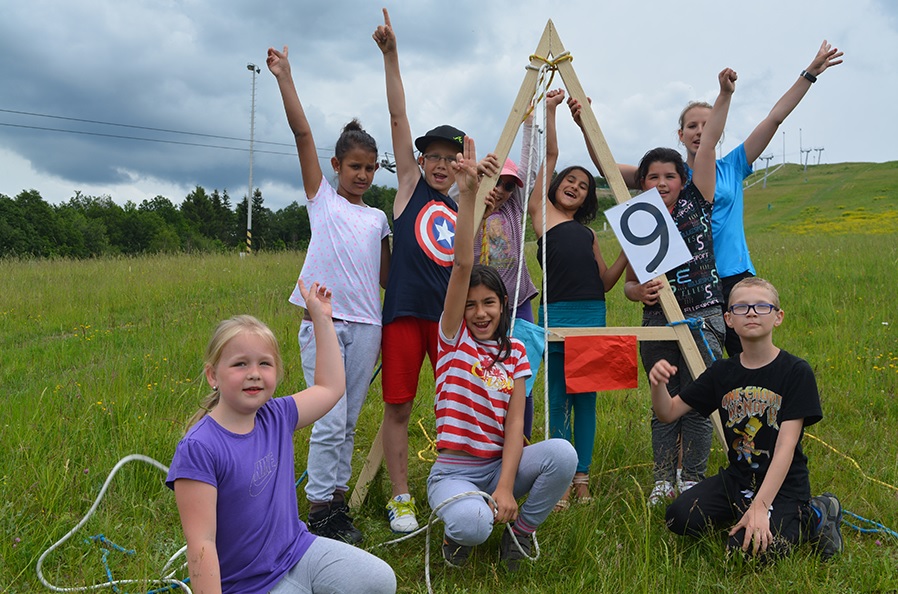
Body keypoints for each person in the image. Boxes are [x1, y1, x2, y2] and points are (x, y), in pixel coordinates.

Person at [572, 41, 843, 356]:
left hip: (734, 277)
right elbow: (608, 167)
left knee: (748, 360)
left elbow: (774, 119)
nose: (700, 131)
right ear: (681, 134)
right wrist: (585, 126)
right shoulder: (668, 177)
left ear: (718, 127)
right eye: (692, 126)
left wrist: (809, 74)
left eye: (707, 124)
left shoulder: (731, 167)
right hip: (685, 287)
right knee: (698, 370)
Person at [166, 287, 396, 594]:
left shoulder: (276, 414)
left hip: (298, 552)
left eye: (264, 363)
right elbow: (201, 545)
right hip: (249, 584)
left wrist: (322, 318)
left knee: (381, 580)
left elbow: (330, 388)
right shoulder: (199, 447)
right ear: (213, 375)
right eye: (240, 364)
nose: (254, 374)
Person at [427, 135, 577, 571]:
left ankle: (520, 531)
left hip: (497, 467)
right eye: (472, 304)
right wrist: (470, 191)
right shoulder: (453, 338)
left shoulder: (515, 354)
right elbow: (461, 267)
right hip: (455, 472)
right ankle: (459, 534)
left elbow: (516, 423)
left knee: (563, 455)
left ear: (503, 305)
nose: (479, 313)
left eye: (489, 303)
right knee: (474, 524)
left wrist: (507, 486)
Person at [267, 45, 392, 544]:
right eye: (355, 166)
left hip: (368, 326)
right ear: (338, 165)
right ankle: (319, 508)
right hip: (323, 321)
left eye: (371, 168)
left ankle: (337, 500)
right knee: (327, 415)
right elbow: (302, 133)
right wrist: (284, 77)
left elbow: (388, 277)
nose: (363, 175)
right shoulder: (322, 201)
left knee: (350, 418)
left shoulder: (378, 218)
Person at [649, 277, 843, 561]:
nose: (751, 312)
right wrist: (658, 385)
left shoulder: (796, 372)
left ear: (778, 317)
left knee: (744, 555)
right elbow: (668, 413)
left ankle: (814, 514)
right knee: (677, 518)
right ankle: (744, 514)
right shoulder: (721, 373)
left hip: (785, 487)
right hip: (737, 481)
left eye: (761, 306)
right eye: (741, 308)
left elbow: (785, 448)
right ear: (728, 319)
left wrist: (762, 507)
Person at [372, 8, 470, 533]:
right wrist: (391, 55)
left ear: (459, 165)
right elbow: (397, 119)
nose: (438, 164)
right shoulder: (409, 188)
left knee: (457, 407)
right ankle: (402, 496)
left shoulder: (460, 208)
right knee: (400, 408)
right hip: (405, 314)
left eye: (448, 158)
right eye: (431, 155)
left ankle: (458, 484)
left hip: (448, 323)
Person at [623, 69, 735, 505]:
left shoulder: (697, 198)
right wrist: (639, 294)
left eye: (669, 176)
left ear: (682, 179)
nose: (662, 183)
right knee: (663, 401)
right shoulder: (640, 221)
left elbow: (707, 145)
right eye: (653, 177)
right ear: (644, 183)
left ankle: (691, 479)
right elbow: (631, 284)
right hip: (657, 322)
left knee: (698, 403)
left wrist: (724, 94)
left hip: (704, 316)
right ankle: (662, 480)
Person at [529, 88, 627, 508]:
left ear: (588, 198)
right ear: (556, 186)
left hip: (592, 311)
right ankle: (561, 477)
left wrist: (627, 251)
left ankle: (582, 477)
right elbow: (549, 156)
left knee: (586, 396)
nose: (575, 186)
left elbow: (605, 281)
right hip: (556, 312)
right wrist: (551, 112)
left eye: (584, 186)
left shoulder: (588, 233)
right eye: (570, 180)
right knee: (558, 397)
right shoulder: (542, 214)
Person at [473, 116, 540, 439]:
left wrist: (528, 125)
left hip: (518, 304)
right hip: (483, 308)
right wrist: (477, 209)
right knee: (485, 376)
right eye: (496, 181)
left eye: (508, 184)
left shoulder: (514, 208)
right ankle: (487, 441)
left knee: (520, 380)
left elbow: (529, 165)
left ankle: (521, 444)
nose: (501, 189)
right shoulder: (467, 210)